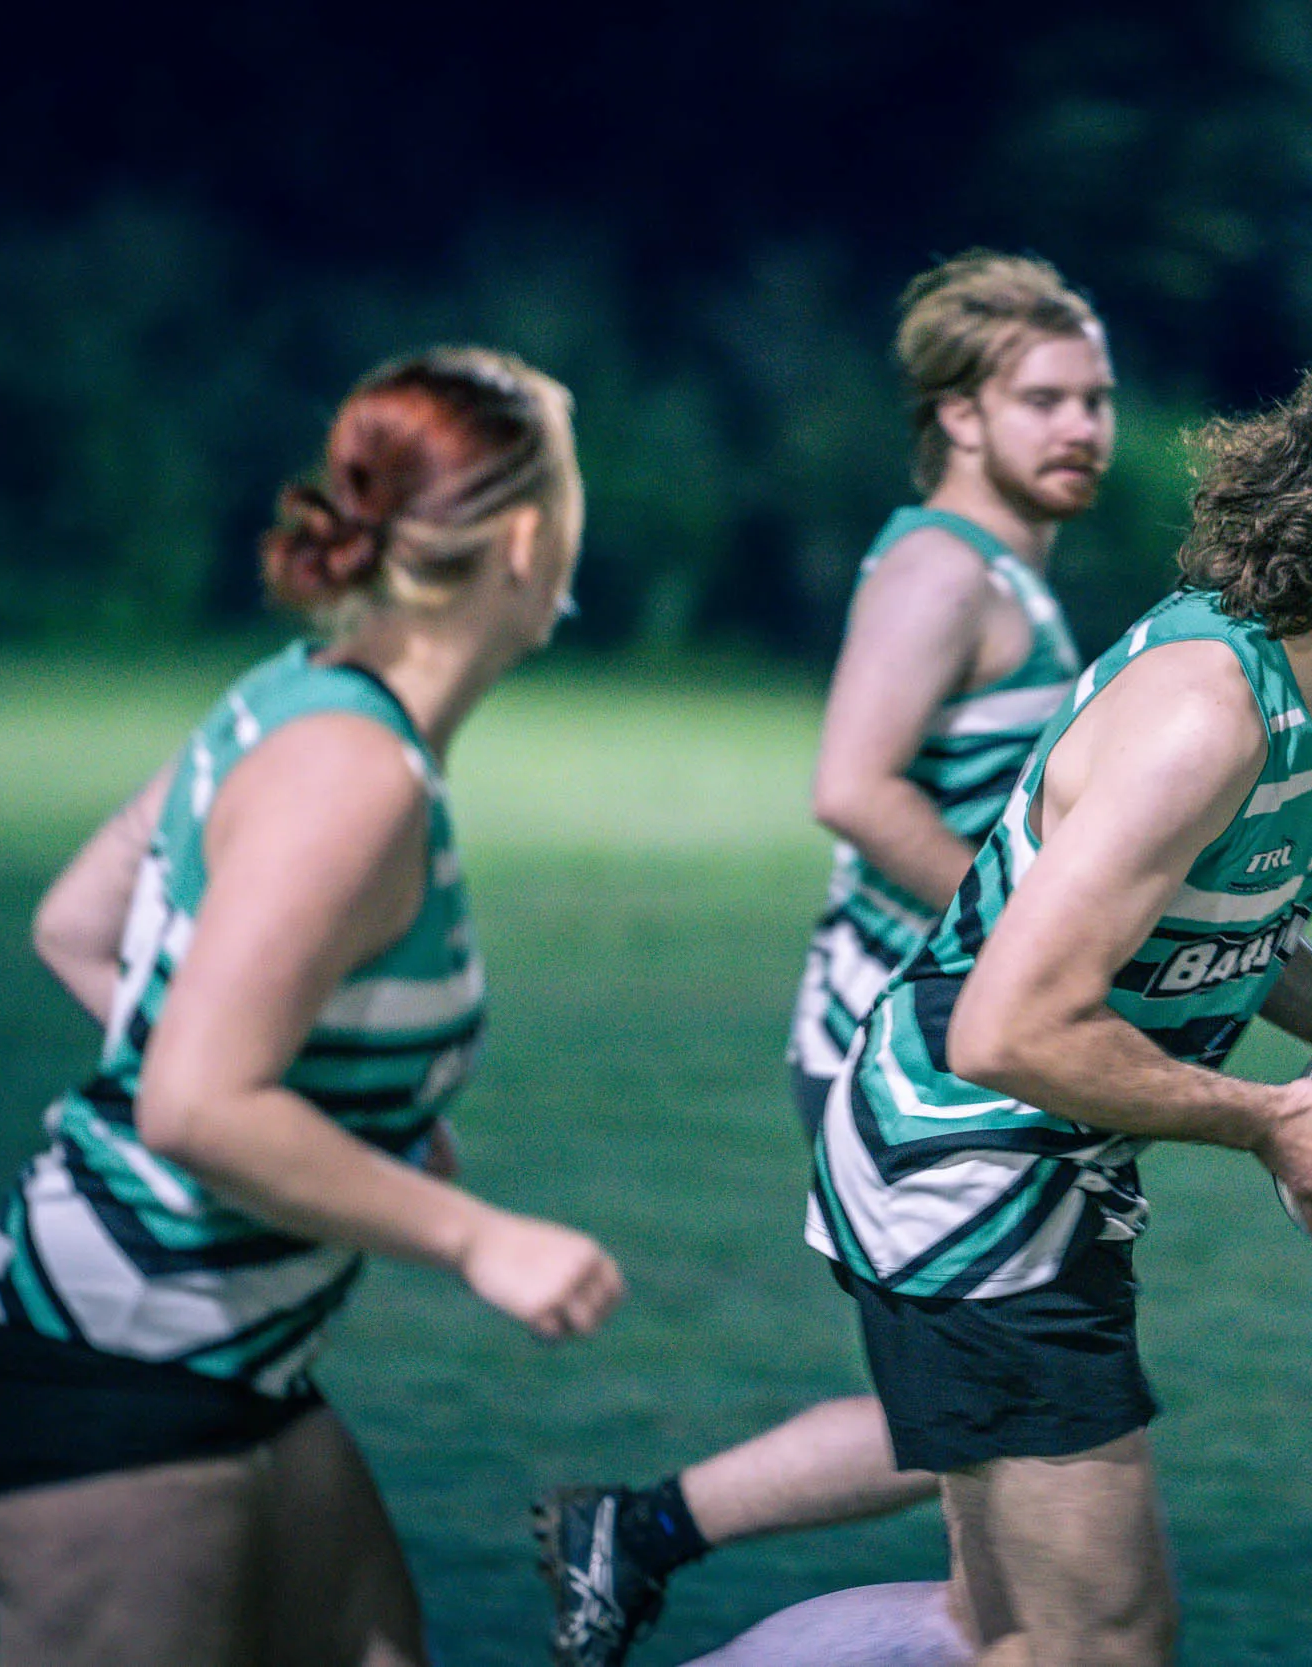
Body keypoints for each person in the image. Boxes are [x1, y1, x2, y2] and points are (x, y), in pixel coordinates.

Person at [549, 327, 1312, 1667]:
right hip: (971, 1179)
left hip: (1004, 1167)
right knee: (1102, 1640)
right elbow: (1009, 1025)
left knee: (996, 1623)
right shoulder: (1209, 714)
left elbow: (1226, 923)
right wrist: (1274, 1118)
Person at [0, 347, 627, 1665]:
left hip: (230, 1363)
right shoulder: (348, 774)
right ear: (529, 539)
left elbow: (83, 923)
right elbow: (195, 1097)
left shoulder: (296, 700)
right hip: (114, 1362)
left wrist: (336, 1117)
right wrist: (476, 1235)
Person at [537, 252, 1112, 1666]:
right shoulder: (937, 568)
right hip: (900, 1057)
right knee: (1017, 1509)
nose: (1084, 424)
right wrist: (1021, 928)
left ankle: (640, 1527)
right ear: (960, 415)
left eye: (1097, 395)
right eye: (1045, 397)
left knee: (992, 1495)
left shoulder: (1011, 574)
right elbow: (855, 786)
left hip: (949, 1054)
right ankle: (642, 1525)